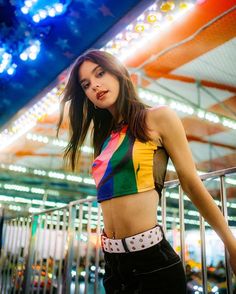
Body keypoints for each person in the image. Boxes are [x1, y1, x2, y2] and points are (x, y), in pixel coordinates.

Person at [57, 49, 236, 293]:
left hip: (151, 261)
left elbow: (191, 182)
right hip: (113, 264)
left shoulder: (157, 117)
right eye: (86, 84)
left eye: (100, 73)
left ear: (119, 73)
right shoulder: (106, 139)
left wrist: (230, 243)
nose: (95, 85)